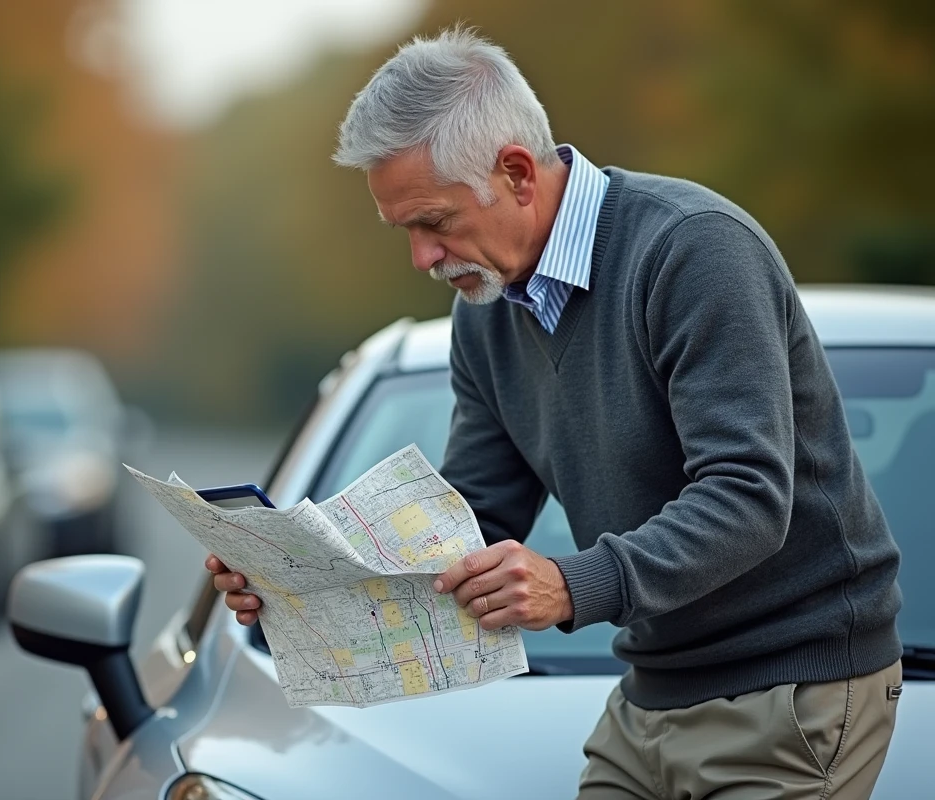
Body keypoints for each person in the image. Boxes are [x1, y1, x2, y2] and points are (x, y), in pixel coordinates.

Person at [206, 27, 903, 799]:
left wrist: (573, 585)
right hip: (651, 694)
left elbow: (749, 496)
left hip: (793, 689)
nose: (422, 257)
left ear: (515, 173)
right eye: (406, 231)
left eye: (435, 222)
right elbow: (469, 524)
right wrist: (304, 586)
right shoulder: (485, 314)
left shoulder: (694, 252)